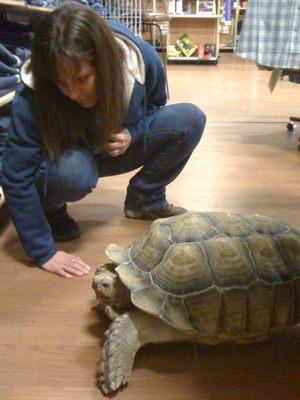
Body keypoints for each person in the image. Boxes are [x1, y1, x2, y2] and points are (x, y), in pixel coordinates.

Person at [1, 2, 206, 279]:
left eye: (81, 78)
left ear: (103, 62)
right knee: (72, 174)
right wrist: (43, 251)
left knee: (190, 119)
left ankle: (144, 199)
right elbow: (15, 174)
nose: (71, 92)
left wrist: (133, 132)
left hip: (114, 148)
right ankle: (52, 210)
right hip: (70, 157)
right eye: (60, 83)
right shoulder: (33, 89)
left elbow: (155, 106)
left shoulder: (140, 58)